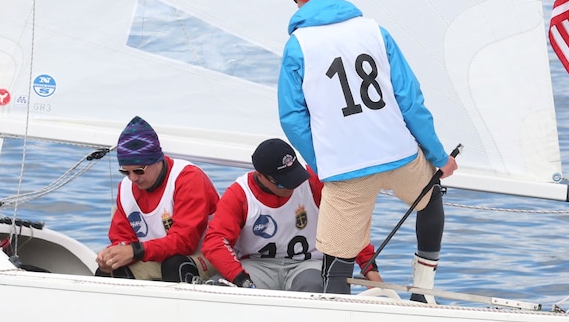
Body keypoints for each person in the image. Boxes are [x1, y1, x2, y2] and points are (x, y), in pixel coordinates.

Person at [277, 0, 458, 302]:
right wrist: (438, 155)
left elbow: (292, 118)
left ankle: (334, 317)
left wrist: (322, 162)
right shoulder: (375, 31)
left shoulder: (298, 46)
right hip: (399, 153)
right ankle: (423, 293)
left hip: (345, 167)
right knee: (430, 197)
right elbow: (410, 99)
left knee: (338, 255)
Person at [202, 137, 383, 292]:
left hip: (307, 265)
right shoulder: (239, 193)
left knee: (313, 285)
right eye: (283, 183)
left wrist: (369, 269)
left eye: (294, 177)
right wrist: (240, 279)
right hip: (257, 267)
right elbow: (215, 241)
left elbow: (346, 223)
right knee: (223, 289)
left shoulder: (313, 182)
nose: (292, 186)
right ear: (261, 176)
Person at [95, 116, 218, 283]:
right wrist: (112, 255)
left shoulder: (188, 178)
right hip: (157, 254)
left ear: (157, 160)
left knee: (176, 266)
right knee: (108, 272)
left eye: (139, 171)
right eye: (125, 172)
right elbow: (121, 237)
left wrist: (135, 251)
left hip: (206, 254)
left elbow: (185, 242)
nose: (132, 178)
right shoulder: (125, 188)